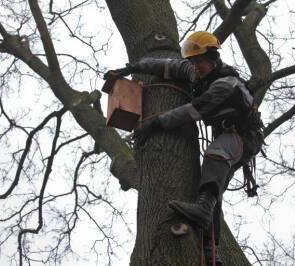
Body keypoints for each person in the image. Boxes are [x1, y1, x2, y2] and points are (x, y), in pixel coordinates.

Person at [104, 31, 264, 265]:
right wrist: (132, 68)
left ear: (213, 59)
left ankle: (202, 213)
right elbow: (166, 66)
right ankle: (210, 252)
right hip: (226, 134)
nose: (195, 67)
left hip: (245, 137)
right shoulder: (193, 71)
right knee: (210, 189)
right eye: (193, 62)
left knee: (214, 156)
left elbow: (192, 111)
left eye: (200, 62)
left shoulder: (225, 85)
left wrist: (156, 122)